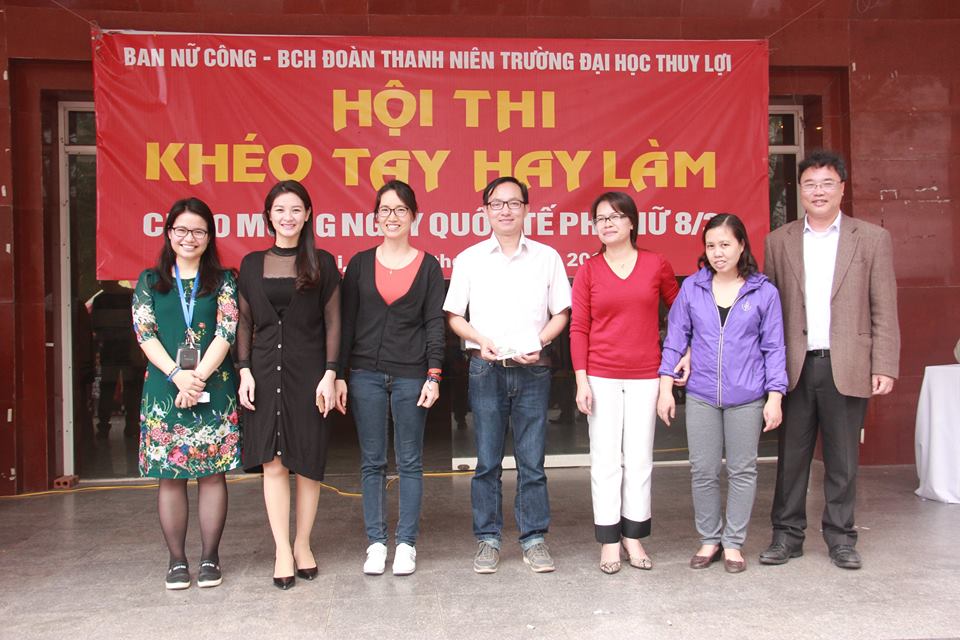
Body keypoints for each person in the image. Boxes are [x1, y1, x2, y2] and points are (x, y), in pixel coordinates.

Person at [760, 150, 900, 570]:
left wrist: (884, 363)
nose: (817, 191)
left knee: (842, 459)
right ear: (799, 190)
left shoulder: (871, 238)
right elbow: (770, 312)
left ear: (842, 188)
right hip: (795, 367)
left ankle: (841, 538)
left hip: (848, 363)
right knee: (792, 459)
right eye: (810, 184)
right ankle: (786, 536)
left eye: (826, 184)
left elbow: (883, 306)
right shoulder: (778, 241)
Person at [444, 176, 572, 574]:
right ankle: (488, 538)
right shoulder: (469, 259)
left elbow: (561, 313)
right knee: (487, 462)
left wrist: (540, 341)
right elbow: (454, 316)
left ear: (526, 209)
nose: (505, 210)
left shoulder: (547, 257)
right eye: (497, 204)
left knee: (532, 462)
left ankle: (534, 538)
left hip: (533, 371)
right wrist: (479, 340)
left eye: (513, 203)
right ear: (485, 211)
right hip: (486, 369)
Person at [657, 213, 787, 573]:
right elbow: (675, 338)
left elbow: (774, 347)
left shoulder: (763, 291)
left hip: (747, 396)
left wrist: (775, 396)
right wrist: (665, 387)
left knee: (743, 471)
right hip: (701, 394)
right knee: (703, 470)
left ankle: (733, 543)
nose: (718, 252)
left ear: (742, 245)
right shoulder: (693, 288)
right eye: (711, 245)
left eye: (725, 244)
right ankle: (709, 539)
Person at [335, 180, 445, 576]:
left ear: (414, 216)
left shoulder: (429, 266)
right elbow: (346, 324)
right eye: (385, 209)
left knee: (410, 461)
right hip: (364, 373)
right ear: (375, 217)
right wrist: (339, 374)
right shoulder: (360, 264)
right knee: (372, 461)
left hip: (412, 375)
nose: (392, 216)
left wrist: (434, 374)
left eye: (400, 209)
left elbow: (434, 324)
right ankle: (376, 542)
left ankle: (406, 544)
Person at [131, 197, 241, 590]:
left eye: (198, 231)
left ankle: (210, 557)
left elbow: (226, 332)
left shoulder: (224, 281)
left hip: (214, 385)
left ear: (209, 237)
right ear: (168, 233)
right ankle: (177, 560)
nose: (189, 238)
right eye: (181, 230)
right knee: (170, 477)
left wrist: (198, 378)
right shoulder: (149, 281)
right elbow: (145, 334)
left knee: (212, 475)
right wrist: (178, 375)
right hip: (165, 389)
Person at [236, 180, 341, 589]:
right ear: (268, 215)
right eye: (280, 209)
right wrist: (244, 369)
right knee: (274, 463)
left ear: (308, 214)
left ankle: (302, 543)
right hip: (263, 373)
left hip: (310, 373)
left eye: (296, 209)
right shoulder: (250, 264)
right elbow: (244, 322)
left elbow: (334, 322)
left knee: (308, 461)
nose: (288, 217)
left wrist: (330, 373)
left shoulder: (323, 263)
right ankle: (282, 548)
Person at [569, 192, 681, 574]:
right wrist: (581, 380)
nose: (608, 224)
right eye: (601, 219)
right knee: (604, 461)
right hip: (600, 375)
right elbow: (579, 328)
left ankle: (634, 536)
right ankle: (609, 540)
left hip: (646, 375)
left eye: (615, 216)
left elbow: (681, 312)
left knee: (639, 460)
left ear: (632, 222)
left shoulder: (655, 264)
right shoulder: (588, 270)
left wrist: (681, 355)